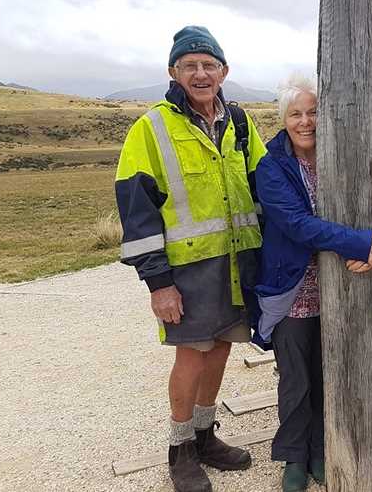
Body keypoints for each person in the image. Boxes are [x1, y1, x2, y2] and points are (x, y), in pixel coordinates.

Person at [115, 25, 266, 492]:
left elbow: (266, 182)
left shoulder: (239, 123)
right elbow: (136, 210)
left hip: (238, 263)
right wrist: (158, 283)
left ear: (224, 71)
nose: (200, 73)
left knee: (220, 348)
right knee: (192, 355)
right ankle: (180, 448)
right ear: (173, 72)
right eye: (189, 65)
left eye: (208, 65)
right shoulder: (151, 128)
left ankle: (205, 437)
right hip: (187, 269)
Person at [252, 74, 372, 492]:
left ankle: (322, 448)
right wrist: (359, 242)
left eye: (314, 112)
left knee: (330, 373)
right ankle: (293, 457)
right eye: (296, 113)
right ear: (284, 119)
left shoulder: (347, 153)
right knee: (296, 377)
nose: (305, 122)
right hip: (295, 287)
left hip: (344, 287)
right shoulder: (272, 166)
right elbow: (297, 225)